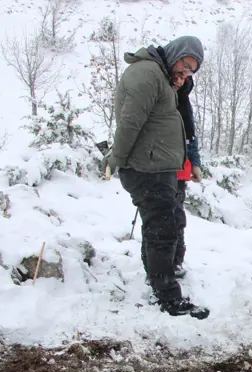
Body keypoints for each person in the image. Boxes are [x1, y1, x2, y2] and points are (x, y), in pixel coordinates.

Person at [109, 36, 209, 319]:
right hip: (145, 169)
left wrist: (192, 159)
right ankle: (166, 296)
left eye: (192, 70)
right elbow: (130, 122)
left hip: (158, 167)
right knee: (161, 230)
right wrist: (116, 159)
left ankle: (160, 281)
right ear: (176, 54)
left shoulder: (163, 76)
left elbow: (181, 121)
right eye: (185, 65)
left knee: (163, 227)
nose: (186, 73)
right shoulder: (146, 74)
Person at [168, 71, 204, 278]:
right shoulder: (160, 97)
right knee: (163, 219)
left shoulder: (183, 102)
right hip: (161, 168)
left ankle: (176, 261)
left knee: (177, 218)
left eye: (184, 78)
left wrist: (195, 164)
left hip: (180, 169)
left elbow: (190, 136)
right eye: (178, 77)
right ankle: (162, 265)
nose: (180, 81)